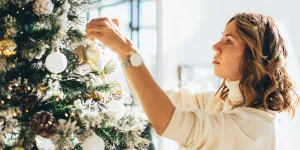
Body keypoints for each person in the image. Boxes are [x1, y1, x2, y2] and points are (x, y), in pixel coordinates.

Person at [86, 13, 299, 150]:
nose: (215, 46)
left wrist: (127, 50)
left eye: (228, 41)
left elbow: (167, 121)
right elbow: (151, 99)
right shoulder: (219, 101)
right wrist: (123, 50)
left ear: (254, 56)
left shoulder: (255, 127)